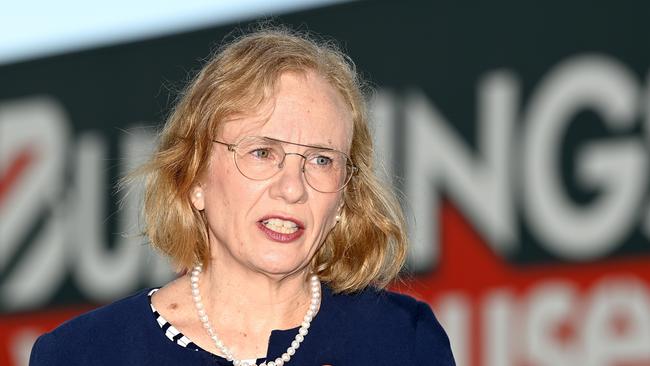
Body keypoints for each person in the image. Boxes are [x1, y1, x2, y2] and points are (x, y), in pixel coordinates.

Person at [29, 26, 455, 366]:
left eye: (322, 160)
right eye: (262, 152)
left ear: (344, 198)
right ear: (194, 178)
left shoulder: (402, 340)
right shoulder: (83, 354)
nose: (293, 187)